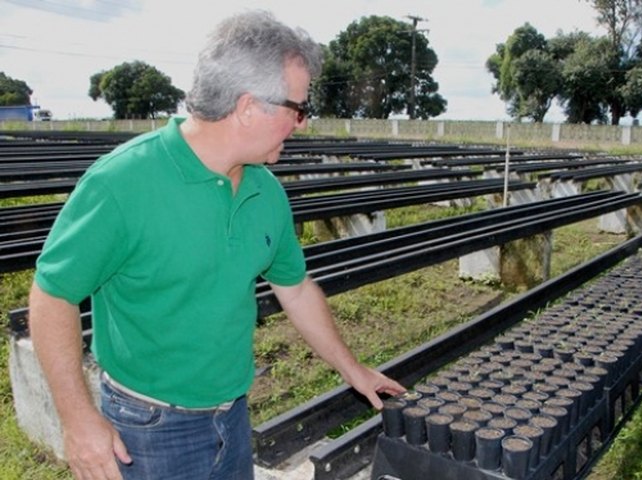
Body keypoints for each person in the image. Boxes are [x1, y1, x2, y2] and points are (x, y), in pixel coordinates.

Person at [28, 10, 405, 480]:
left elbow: (297, 289)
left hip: (232, 418)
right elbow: (52, 295)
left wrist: (354, 370)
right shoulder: (123, 183)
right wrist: (78, 419)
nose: (302, 124)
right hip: (146, 431)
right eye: (298, 109)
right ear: (250, 107)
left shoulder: (265, 191)